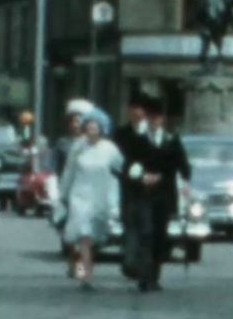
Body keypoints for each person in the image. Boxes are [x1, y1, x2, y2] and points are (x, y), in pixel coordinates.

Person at [120, 96, 192, 293]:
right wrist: (141, 176)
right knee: (146, 233)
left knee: (160, 235)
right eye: (151, 118)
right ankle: (143, 275)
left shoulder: (171, 139)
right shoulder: (139, 140)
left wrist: (185, 182)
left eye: (157, 118)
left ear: (162, 120)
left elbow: (182, 164)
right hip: (144, 193)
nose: (154, 121)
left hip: (165, 194)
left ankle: (155, 273)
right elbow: (129, 165)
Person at [56, 111, 123, 291]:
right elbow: (69, 171)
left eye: (95, 126)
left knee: (93, 239)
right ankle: (86, 276)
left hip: (101, 197)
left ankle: (80, 267)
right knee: (83, 236)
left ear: (102, 129)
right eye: (88, 126)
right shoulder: (77, 147)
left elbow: (120, 170)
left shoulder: (110, 149)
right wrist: (62, 194)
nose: (91, 129)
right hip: (80, 196)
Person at [112, 94, 152, 283]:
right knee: (130, 226)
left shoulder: (153, 134)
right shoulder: (120, 134)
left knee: (145, 228)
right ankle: (79, 272)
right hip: (127, 188)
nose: (136, 112)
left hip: (147, 189)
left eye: (139, 108)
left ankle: (143, 267)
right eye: (133, 108)